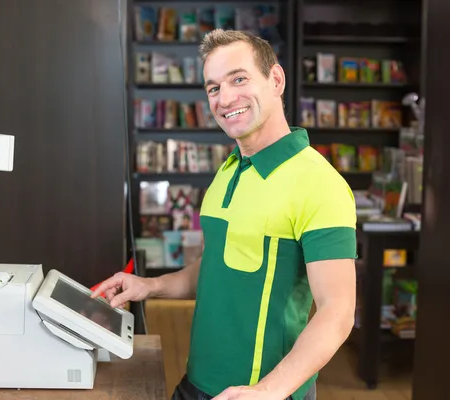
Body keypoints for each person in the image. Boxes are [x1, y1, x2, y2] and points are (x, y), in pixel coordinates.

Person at [92, 29, 357, 400]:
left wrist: (268, 391)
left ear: (275, 79)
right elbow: (218, 267)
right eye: (214, 87)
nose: (225, 97)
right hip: (196, 383)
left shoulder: (320, 184)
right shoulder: (229, 170)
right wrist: (150, 286)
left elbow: (338, 311)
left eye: (239, 79)